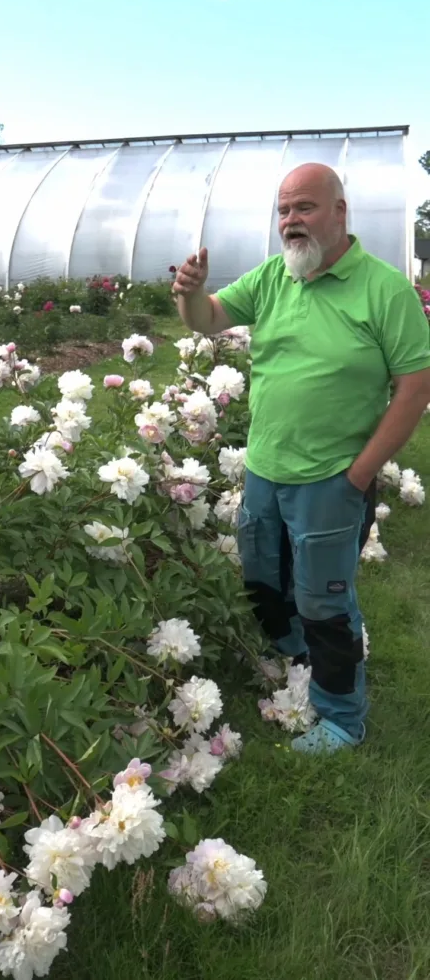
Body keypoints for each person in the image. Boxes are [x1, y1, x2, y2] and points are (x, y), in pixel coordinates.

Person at [173, 163, 430, 754]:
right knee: (263, 578)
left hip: (332, 480)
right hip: (265, 469)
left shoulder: (383, 288)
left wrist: (359, 474)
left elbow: (415, 386)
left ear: (340, 212)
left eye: (305, 208)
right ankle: (294, 661)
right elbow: (211, 319)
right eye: (284, 210)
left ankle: (342, 716)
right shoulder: (273, 278)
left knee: (325, 599)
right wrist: (189, 297)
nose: (291, 221)